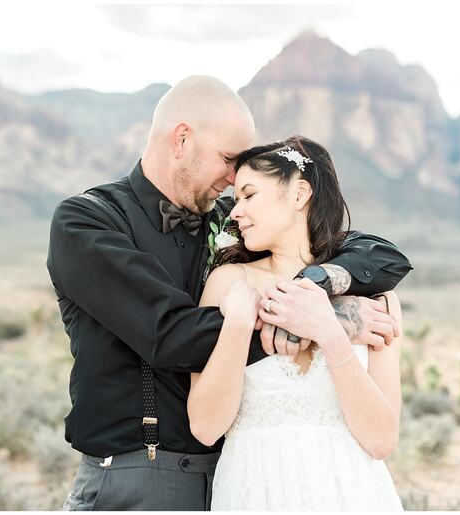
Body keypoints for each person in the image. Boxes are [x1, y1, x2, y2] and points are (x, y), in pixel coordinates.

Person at [46, 76, 412, 511]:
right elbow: (170, 334)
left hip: (231, 473)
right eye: (227, 159)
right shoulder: (87, 222)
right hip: (136, 476)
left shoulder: (232, 217)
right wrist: (323, 319)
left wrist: (315, 288)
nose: (233, 177)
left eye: (246, 183)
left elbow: (379, 256)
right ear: (181, 139)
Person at [190, 135, 405, 510]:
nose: (235, 212)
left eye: (249, 195)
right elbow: (206, 428)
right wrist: (239, 323)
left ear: (299, 194)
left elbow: (381, 440)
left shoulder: (376, 302)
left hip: (350, 489)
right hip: (255, 488)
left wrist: (328, 330)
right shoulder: (228, 284)